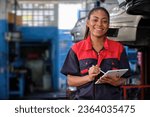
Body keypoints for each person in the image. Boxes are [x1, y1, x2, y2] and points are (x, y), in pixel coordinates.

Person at [61, 7, 131, 100]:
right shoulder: (76, 49)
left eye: (104, 21)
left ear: (108, 25)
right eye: (95, 20)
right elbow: (70, 81)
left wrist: (116, 82)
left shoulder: (119, 49)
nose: (99, 24)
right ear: (88, 23)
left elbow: (124, 79)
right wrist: (89, 78)